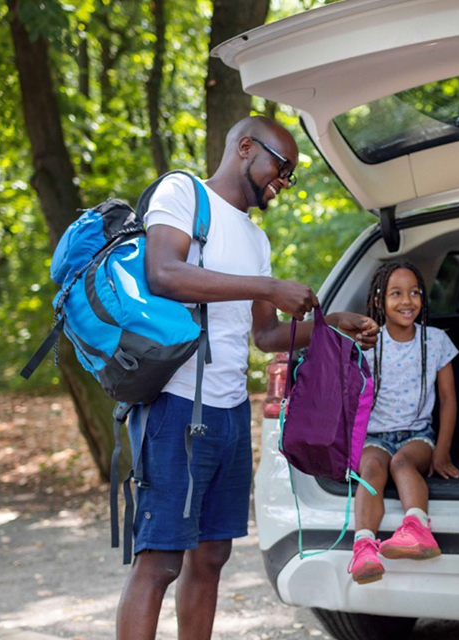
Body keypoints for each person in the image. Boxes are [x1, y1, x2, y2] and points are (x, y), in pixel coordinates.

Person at [116, 115, 378, 640]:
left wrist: (332, 327)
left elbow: (265, 336)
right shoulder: (184, 193)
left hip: (230, 412)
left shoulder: (256, 240)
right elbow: (163, 272)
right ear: (244, 148)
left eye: (290, 176)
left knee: (212, 556)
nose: (284, 182)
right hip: (175, 405)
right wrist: (266, 284)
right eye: (281, 169)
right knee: (161, 561)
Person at [347, 260, 459, 584]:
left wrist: (442, 452)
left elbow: (448, 399)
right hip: (375, 437)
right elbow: (354, 402)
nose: (407, 301)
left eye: (414, 293)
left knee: (401, 464)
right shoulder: (368, 345)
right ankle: (364, 547)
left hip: (417, 436)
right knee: (371, 472)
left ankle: (417, 528)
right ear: (379, 300)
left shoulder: (436, 340)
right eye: (396, 294)